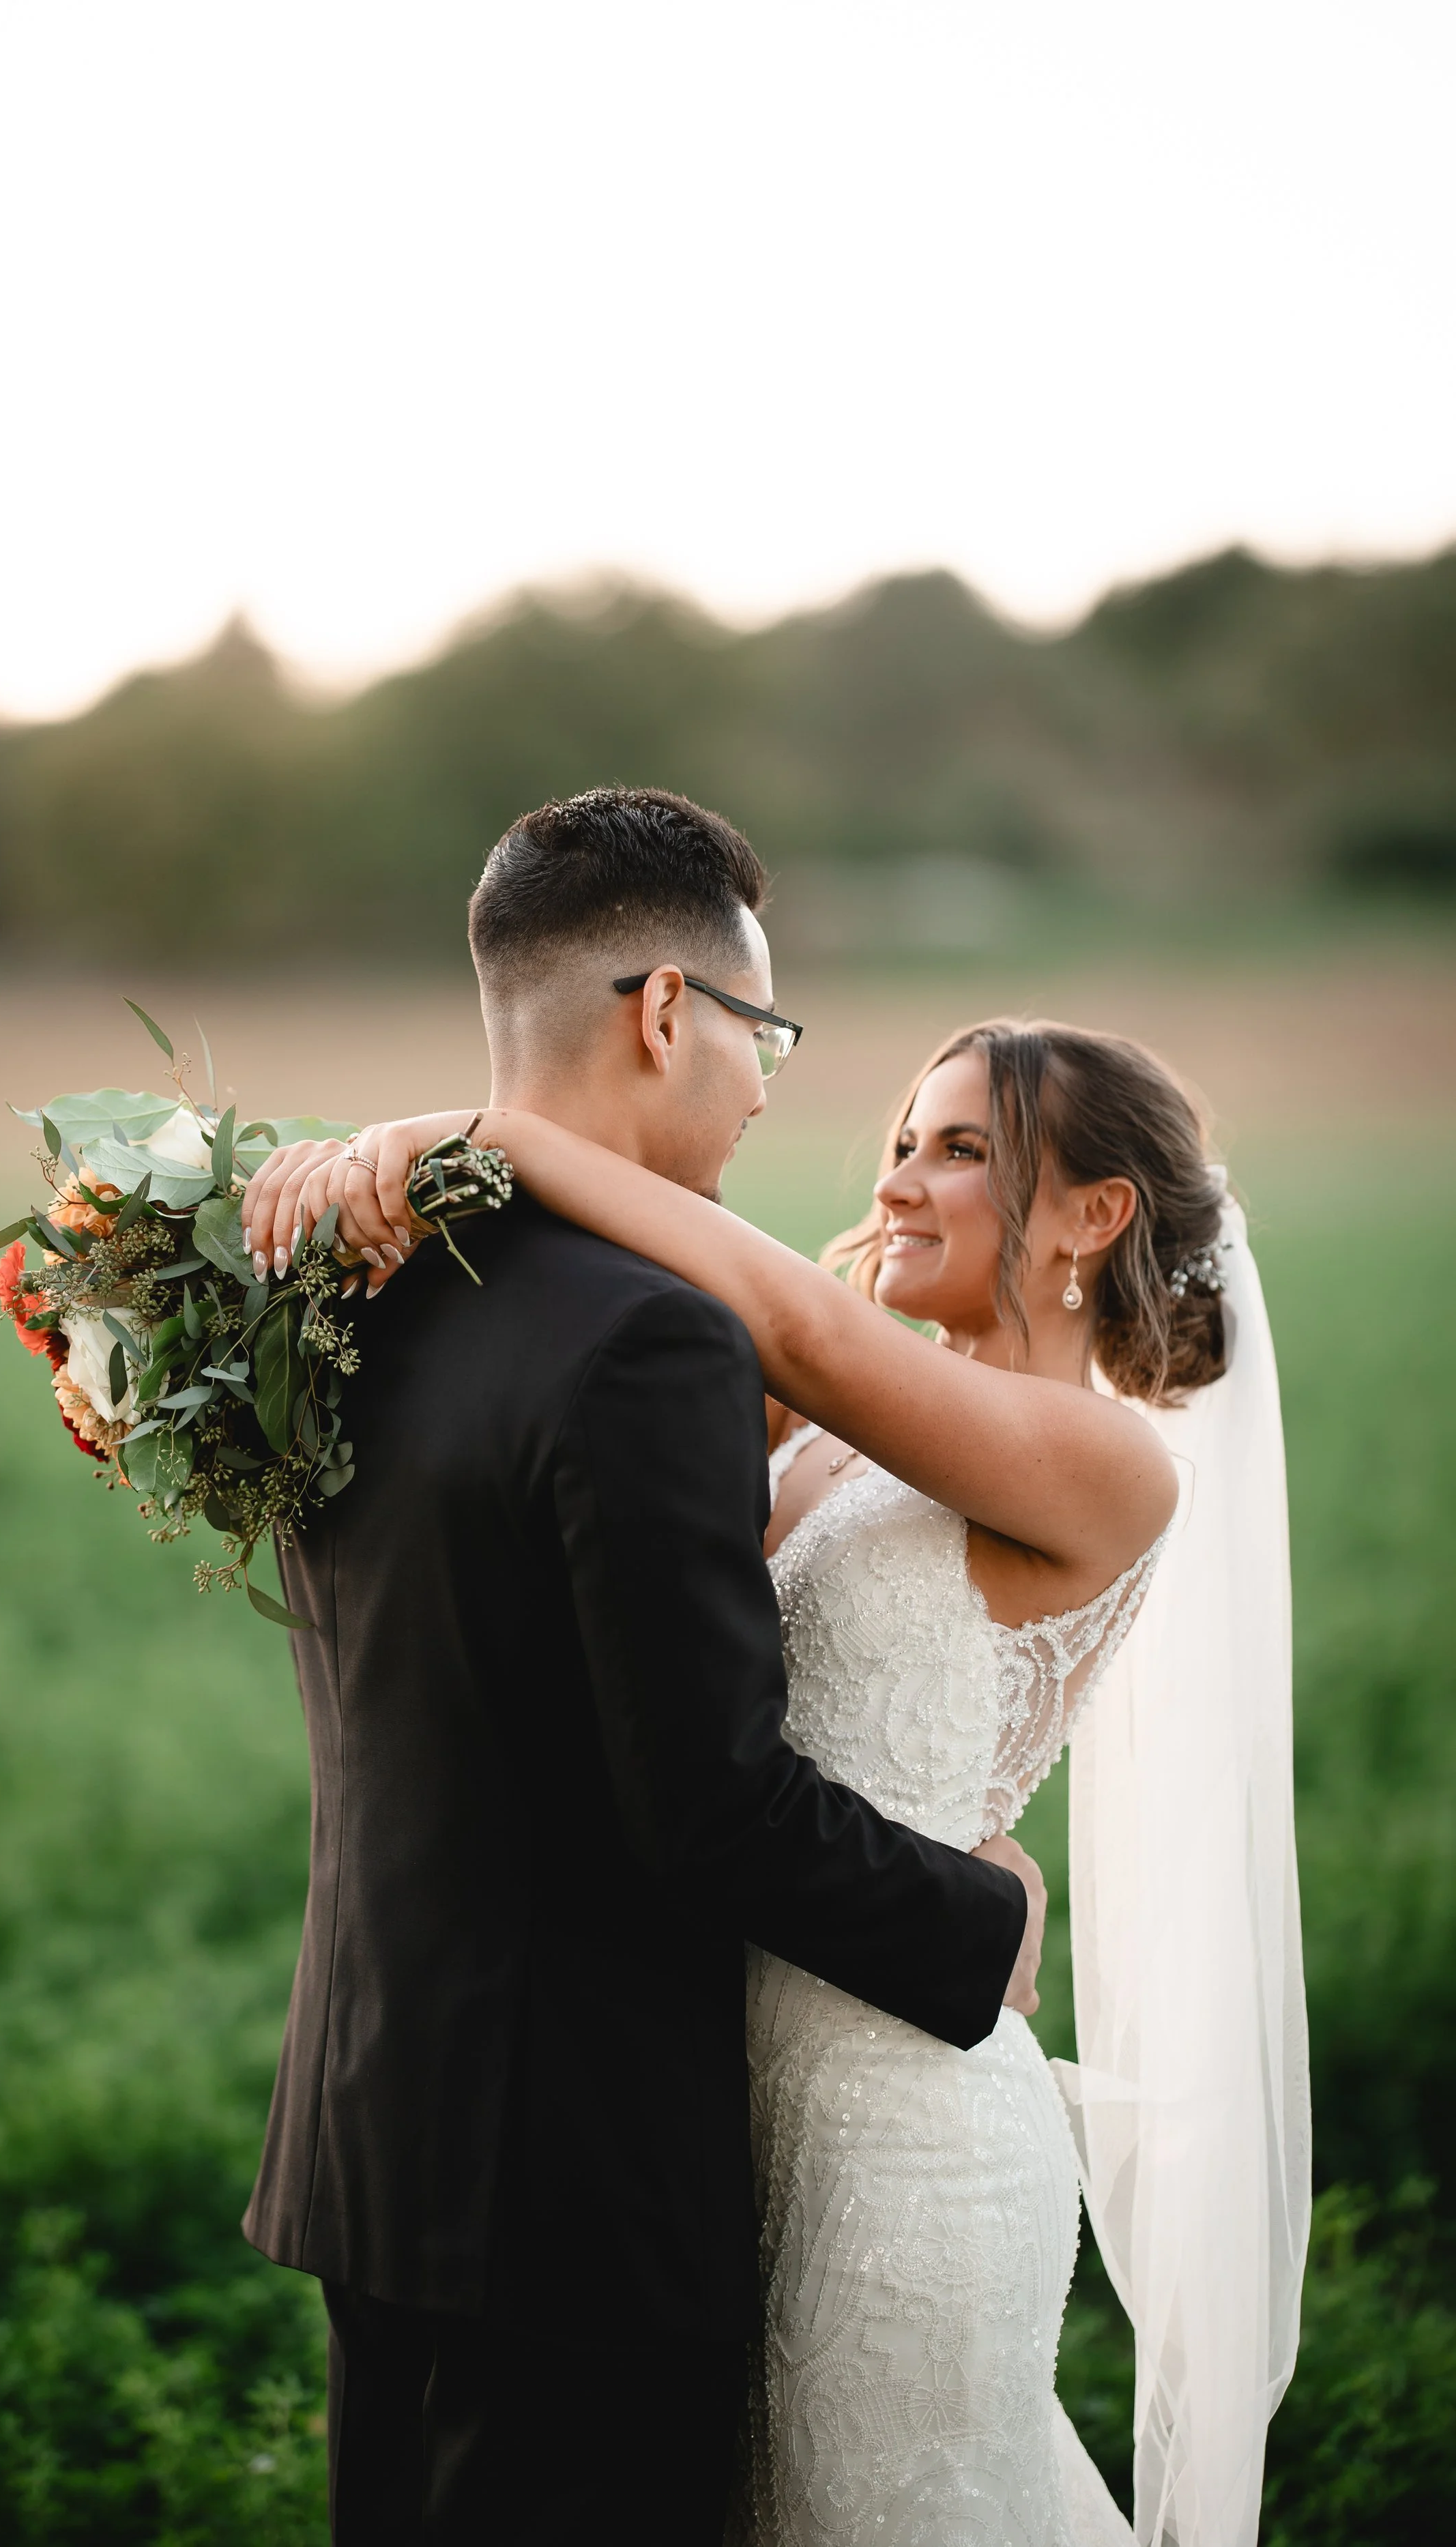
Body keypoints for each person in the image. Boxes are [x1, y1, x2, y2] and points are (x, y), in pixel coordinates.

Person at [257, 830, 1307, 2542]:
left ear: (1093, 1214)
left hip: (896, 2110)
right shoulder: (811, 1414)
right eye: (895, 1136)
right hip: (710, 2098)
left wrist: (484, 1134)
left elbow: (786, 1330)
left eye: (958, 1150)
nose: (890, 1177)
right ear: (670, 1009)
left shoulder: (1100, 1461)